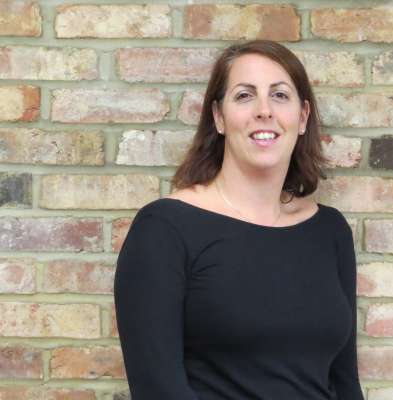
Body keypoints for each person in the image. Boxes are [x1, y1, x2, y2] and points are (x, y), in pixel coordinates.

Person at [114, 39, 364, 400]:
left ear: (302, 117)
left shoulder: (329, 230)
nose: (264, 110)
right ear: (218, 116)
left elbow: (345, 382)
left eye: (280, 95)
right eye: (245, 96)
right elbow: (158, 389)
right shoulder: (165, 229)